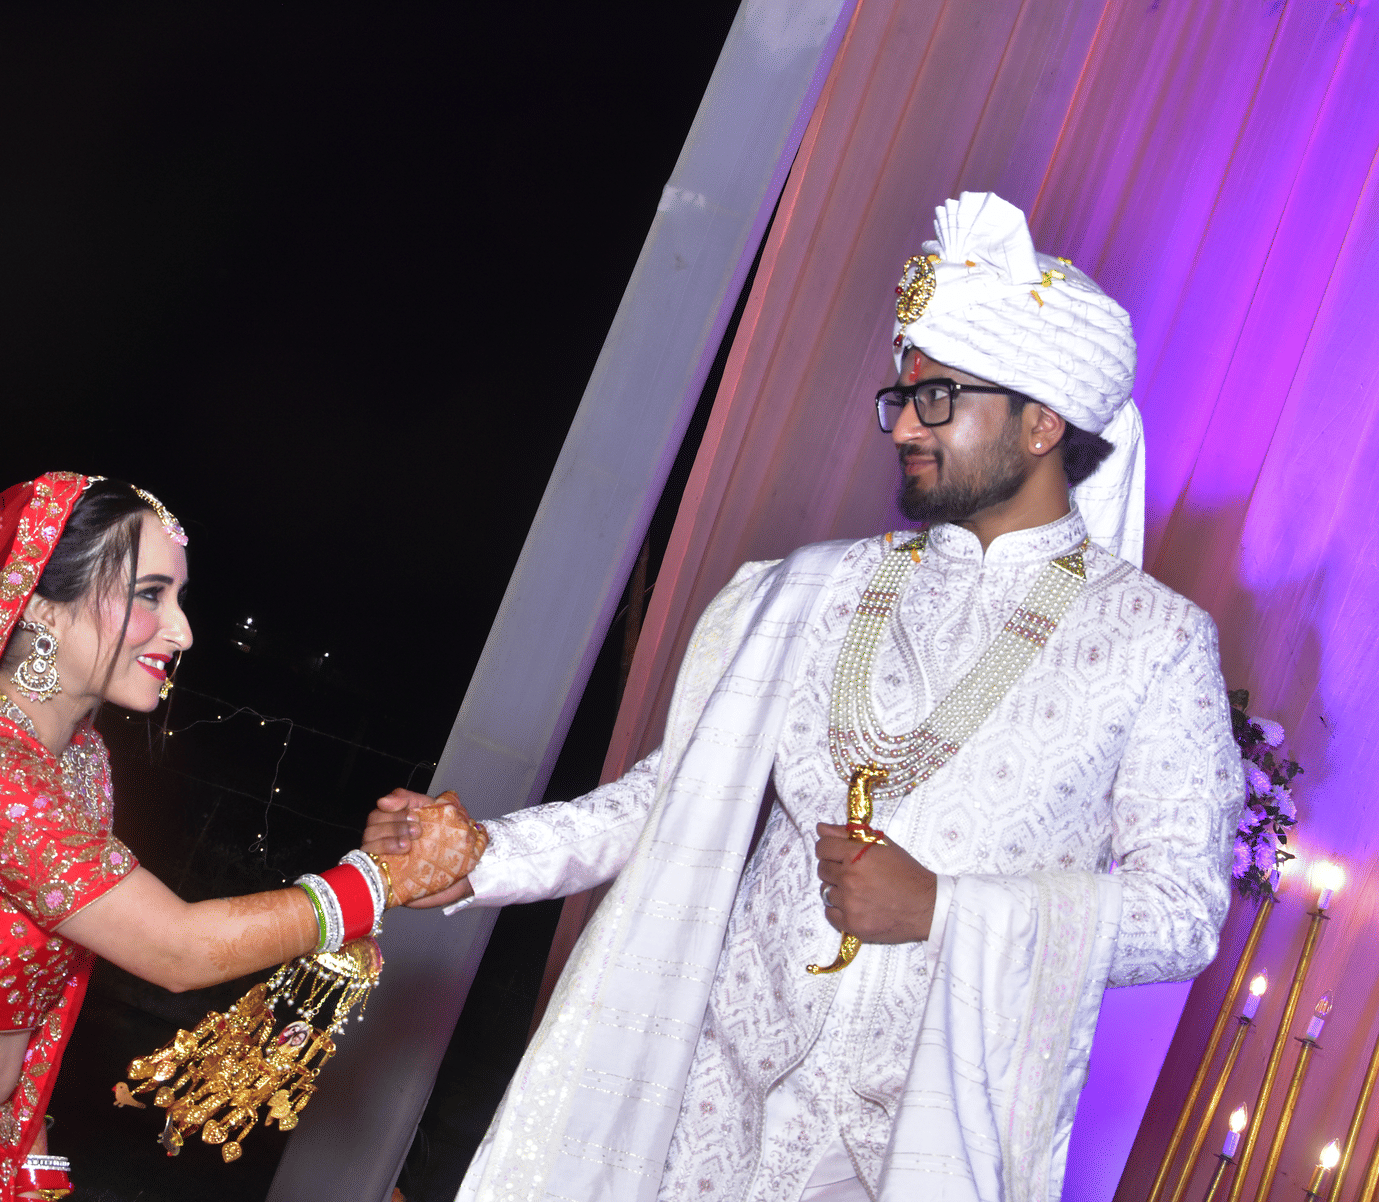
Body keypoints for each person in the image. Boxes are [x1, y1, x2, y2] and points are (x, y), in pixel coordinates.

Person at [365, 193, 1243, 1201]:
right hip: (708, 1108)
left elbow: (1183, 913)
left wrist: (944, 909)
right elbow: (669, 799)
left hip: (919, 1142)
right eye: (898, 396)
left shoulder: (1153, 641)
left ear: (1043, 421)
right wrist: (483, 855)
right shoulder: (815, 589)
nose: (902, 424)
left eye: (937, 398)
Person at [0, 473, 483, 1202]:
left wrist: (26, 1153)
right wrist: (383, 880)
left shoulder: (80, 760)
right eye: (150, 595)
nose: (183, 631)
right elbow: (175, 948)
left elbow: (37, 996)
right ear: (41, 607)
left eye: (177, 598)